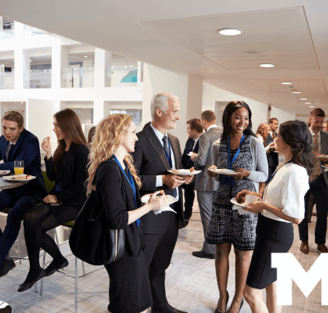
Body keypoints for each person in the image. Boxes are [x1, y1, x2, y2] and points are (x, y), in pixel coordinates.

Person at [86, 114, 167, 313]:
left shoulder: (122, 165)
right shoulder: (109, 169)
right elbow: (118, 219)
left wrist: (149, 200)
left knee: (137, 304)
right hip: (121, 249)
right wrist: (150, 207)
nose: (136, 137)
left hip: (132, 244)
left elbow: (125, 204)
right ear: (117, 135)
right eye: (132, 132)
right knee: (127, 306)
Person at [238, 120, 312, 313]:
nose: (275, 138)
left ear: (288, 141)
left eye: (278, 135)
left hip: (275, 235)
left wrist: (262, 205)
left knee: (250, 293)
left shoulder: (295, 171)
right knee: (271, 283)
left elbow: (296, 217)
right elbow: (277, 200)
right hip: (270, 232)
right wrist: (254, 196)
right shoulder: (285, 166)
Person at [132, 92, 193, 313]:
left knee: (161, 265)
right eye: (175, 111)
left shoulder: (174, 141)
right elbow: (132, 179)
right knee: (143, 267)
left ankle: (160, 307)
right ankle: (136, 307)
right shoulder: (138, 140)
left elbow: (173, 174)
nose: (178, 117)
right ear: (159, 112)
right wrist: (161, 180)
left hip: (172, 214)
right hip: (150, 216)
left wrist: (184, 179)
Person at [18, 109, 89, 292]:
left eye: (57, 125)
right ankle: (38, 267)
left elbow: (80, 186)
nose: (54, 128)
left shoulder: (82, 150)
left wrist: (57, 197)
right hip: (57, 199)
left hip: (74, 203)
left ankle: (56, 260)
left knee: (37, 227)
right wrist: (48, 154)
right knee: (30, 218)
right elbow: (52, 175)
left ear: (67, 125)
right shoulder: (61, 147)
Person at [206, 101, 268, 313]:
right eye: (237, 117)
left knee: (243, 254)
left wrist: (248, 174)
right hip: (222, 202)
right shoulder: (218, 144)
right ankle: (223, 298)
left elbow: (264, 174)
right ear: (228, 118)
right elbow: (217, 172)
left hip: (245, 206)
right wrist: (213, 172)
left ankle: (237, 300)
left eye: (246, 118)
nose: (242, 122)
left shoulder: (254, 142)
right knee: (221, 252)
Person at [0, 110, 47, 277]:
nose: (7, 132)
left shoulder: (31, 140)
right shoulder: (3, 140)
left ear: (21, 128)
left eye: (12, 129)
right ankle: (5, 258)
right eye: (4, 127)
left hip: (31, 190)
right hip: (11, 188)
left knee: (13, 216)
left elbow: (19, 164)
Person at [190, 110, 222, 259]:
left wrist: (194, 158)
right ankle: (217, 247)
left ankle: (210, 250)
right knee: (217, 216)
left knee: (207, 217)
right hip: (221, 181)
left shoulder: (205, 136)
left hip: (206, 182)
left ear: (204, 122)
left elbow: (202, 160)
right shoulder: (224, 133)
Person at [298, 108, 328, 254]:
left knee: (322, 212)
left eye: (322, 122)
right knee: (303, 211)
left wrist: (326, 158)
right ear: (310, 119)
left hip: (321, 178)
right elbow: (296, 153)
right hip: (304, 177)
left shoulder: (326, 136)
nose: (319, 125)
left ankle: (320, 242)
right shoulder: (302, 136)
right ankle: (304, 241)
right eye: (316, 121)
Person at [180, 118, 203, 228]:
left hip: (197, 173)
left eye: (188, 129)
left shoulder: (203, 140)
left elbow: (203, 159)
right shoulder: (189, 140)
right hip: (186, 170)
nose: (187, 131)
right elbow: (184, 155)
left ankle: (187, 214)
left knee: (189, 188)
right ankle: (181, 211)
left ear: (194, 130)